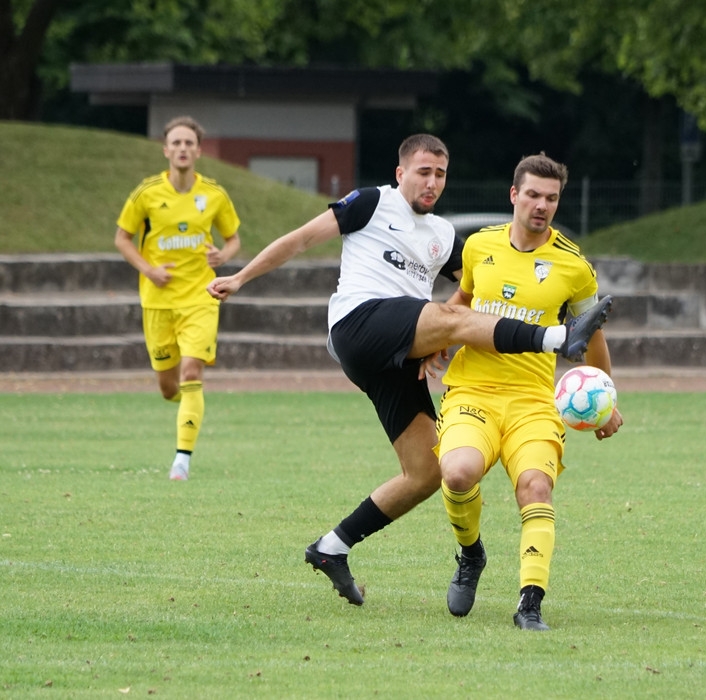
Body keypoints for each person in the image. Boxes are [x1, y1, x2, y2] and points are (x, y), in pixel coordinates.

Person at [206, 135, 613, 606]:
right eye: (423, 172)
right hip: (358, 324)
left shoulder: (445, 235)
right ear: (401, 173)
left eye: (440, 174)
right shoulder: (371, 203)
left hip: (398, 353)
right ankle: (558, 339)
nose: (432, 182)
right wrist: (240, 277)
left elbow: (488, 285)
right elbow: (300, 240)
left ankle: (333, 546)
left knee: (428, 471)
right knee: (451, 317)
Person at [433, 153, 623, 631]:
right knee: (457, 473)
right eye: (533, 195)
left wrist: (608, 402)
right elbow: (463, 300)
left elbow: (592, 334)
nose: (542, 205)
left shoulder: (574, 265)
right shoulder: (479, 246)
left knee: (536, 487)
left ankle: (530, 604)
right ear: (514, 195)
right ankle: (471, 554)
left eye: (551, 198)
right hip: (472, 390)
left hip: (534, 401)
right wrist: (432, 342)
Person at [114, 115, 242, 481]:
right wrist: (149, 269)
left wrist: (223, 256)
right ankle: (189, 402)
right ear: (166, 150)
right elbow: (122, 238)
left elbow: (233, 239)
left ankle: (181, 462)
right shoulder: (147, 193)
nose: (183, 148)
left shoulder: (214, 194)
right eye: (177, 143)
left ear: (198, 151)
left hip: (201, 297)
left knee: (191, 372)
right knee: (169, 387)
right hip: (158, 302)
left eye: (189, 143)